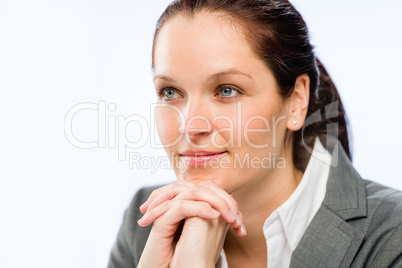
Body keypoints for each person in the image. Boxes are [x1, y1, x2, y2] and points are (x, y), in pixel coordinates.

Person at [108, 0, 402, 267]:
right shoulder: (147, 220)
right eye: (170, 92)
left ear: (297, 100)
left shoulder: (391, 234)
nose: (189, 126)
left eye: (227, 90)